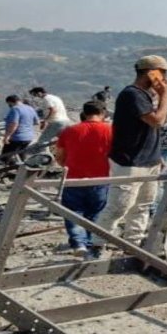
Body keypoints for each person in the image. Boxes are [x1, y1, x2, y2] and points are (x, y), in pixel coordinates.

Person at [97, 55, 167, 244]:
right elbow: (157, 121)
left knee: (143, 205)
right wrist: (166, 96)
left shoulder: (146, 95)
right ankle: (97, 242)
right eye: (162, 73)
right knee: (119, 206)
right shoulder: (132, 94)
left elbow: (151, 128)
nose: (165, 78)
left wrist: (157, 156)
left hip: (149, 160)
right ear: (151, 73)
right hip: (130, 160)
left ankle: (133, 242)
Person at [53, 101, 112, 258]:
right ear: (103, 113)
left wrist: (68, 165)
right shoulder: (111, 130)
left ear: (84, 113)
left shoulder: (69, 131)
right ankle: (93, 243)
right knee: (96, 212)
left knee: (73, 213)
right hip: (101, 179)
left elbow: (59, 156)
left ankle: (79, 243)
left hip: (73, 179)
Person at [30, 87, 71, 153]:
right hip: (65, 121)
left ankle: (45, 158)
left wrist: (45, 120)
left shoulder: (46, 99)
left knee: (43, 141)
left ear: (39, 92)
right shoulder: (55, 97)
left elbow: (52, 110)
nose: (36, 97)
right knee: (64, 140)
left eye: (35, 95)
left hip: (56, 122)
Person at [0, 95, 39, 163]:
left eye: (9, 104)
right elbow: (37, 122)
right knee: (22, 154)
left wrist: (7, 136)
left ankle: (12, 168)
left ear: (10, 102)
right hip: (28, 137)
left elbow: (14, 124)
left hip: (16, 137)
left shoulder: (15, 109)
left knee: (5, 157)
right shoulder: (30, 108)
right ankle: (25, 168)